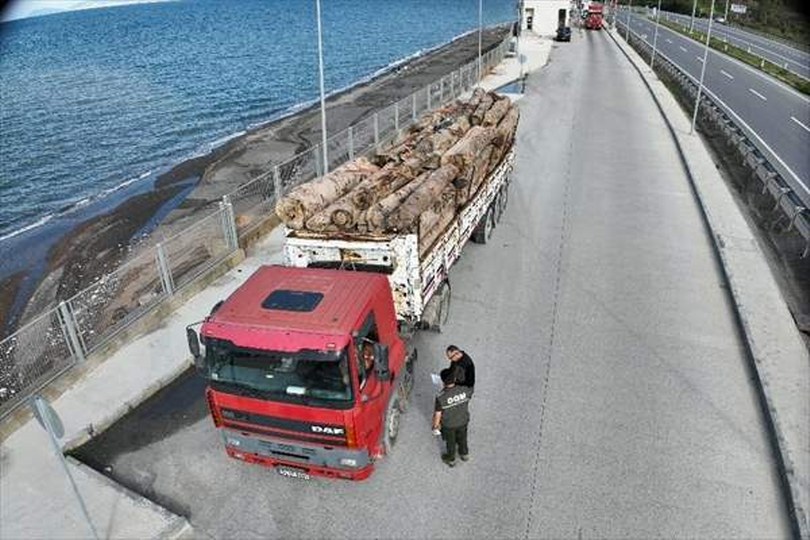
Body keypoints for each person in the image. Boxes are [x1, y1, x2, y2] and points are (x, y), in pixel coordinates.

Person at [432, 367, 472, 467]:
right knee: (463, 438)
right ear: (454, 379)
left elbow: (438, 414)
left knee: (450, 442)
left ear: (443, 382)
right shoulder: (464, 389)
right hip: (463, 420)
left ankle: (451, 459)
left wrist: (436, 426)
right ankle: (464, 454)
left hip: (449, 425)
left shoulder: (441, 397)